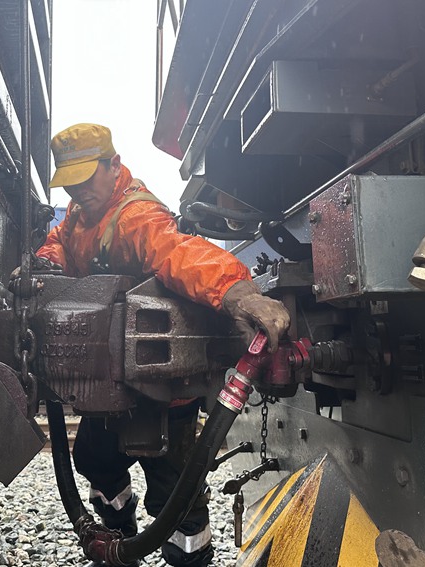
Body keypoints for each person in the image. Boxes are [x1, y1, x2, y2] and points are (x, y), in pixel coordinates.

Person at [34, 123, 291, 567]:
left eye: (84, 177)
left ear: (112, 166)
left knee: (175, 489)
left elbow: (181, 254)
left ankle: (190, 556)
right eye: (70, 181)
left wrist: (238, 294)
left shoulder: (135, 217)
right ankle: (118, 537)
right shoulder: (80, 216)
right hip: (111, 385)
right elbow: (60, 243)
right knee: (95, 459)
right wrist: (44, 264)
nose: (76, 189)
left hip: (162, 388)